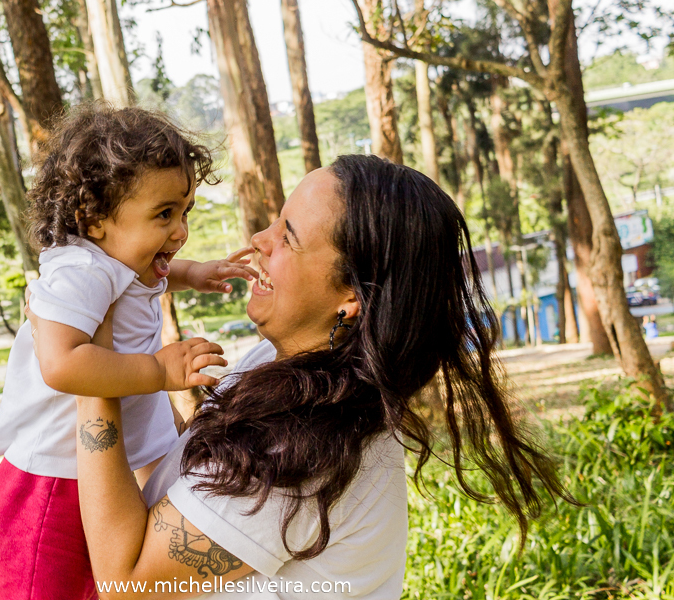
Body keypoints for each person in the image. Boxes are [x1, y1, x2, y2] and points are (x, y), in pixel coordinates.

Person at [52, 155, 571, 599]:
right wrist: (135, 364)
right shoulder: (283, 374)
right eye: (275, 222)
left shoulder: (301, 446)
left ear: (352, 299)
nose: (259, 239)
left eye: (288, 237)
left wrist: (93, 372)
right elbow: (161, 494)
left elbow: (128, 584)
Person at [0, 104, 254, 600]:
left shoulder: (119, 258)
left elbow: (152, 274)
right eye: (164, 214)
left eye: (184, 212)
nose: (180, 231)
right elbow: (62, 364)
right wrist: (156, 369)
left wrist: (194, 273)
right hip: (48, 481)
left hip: (90, 472)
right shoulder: (79, 272)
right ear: (93, 221)